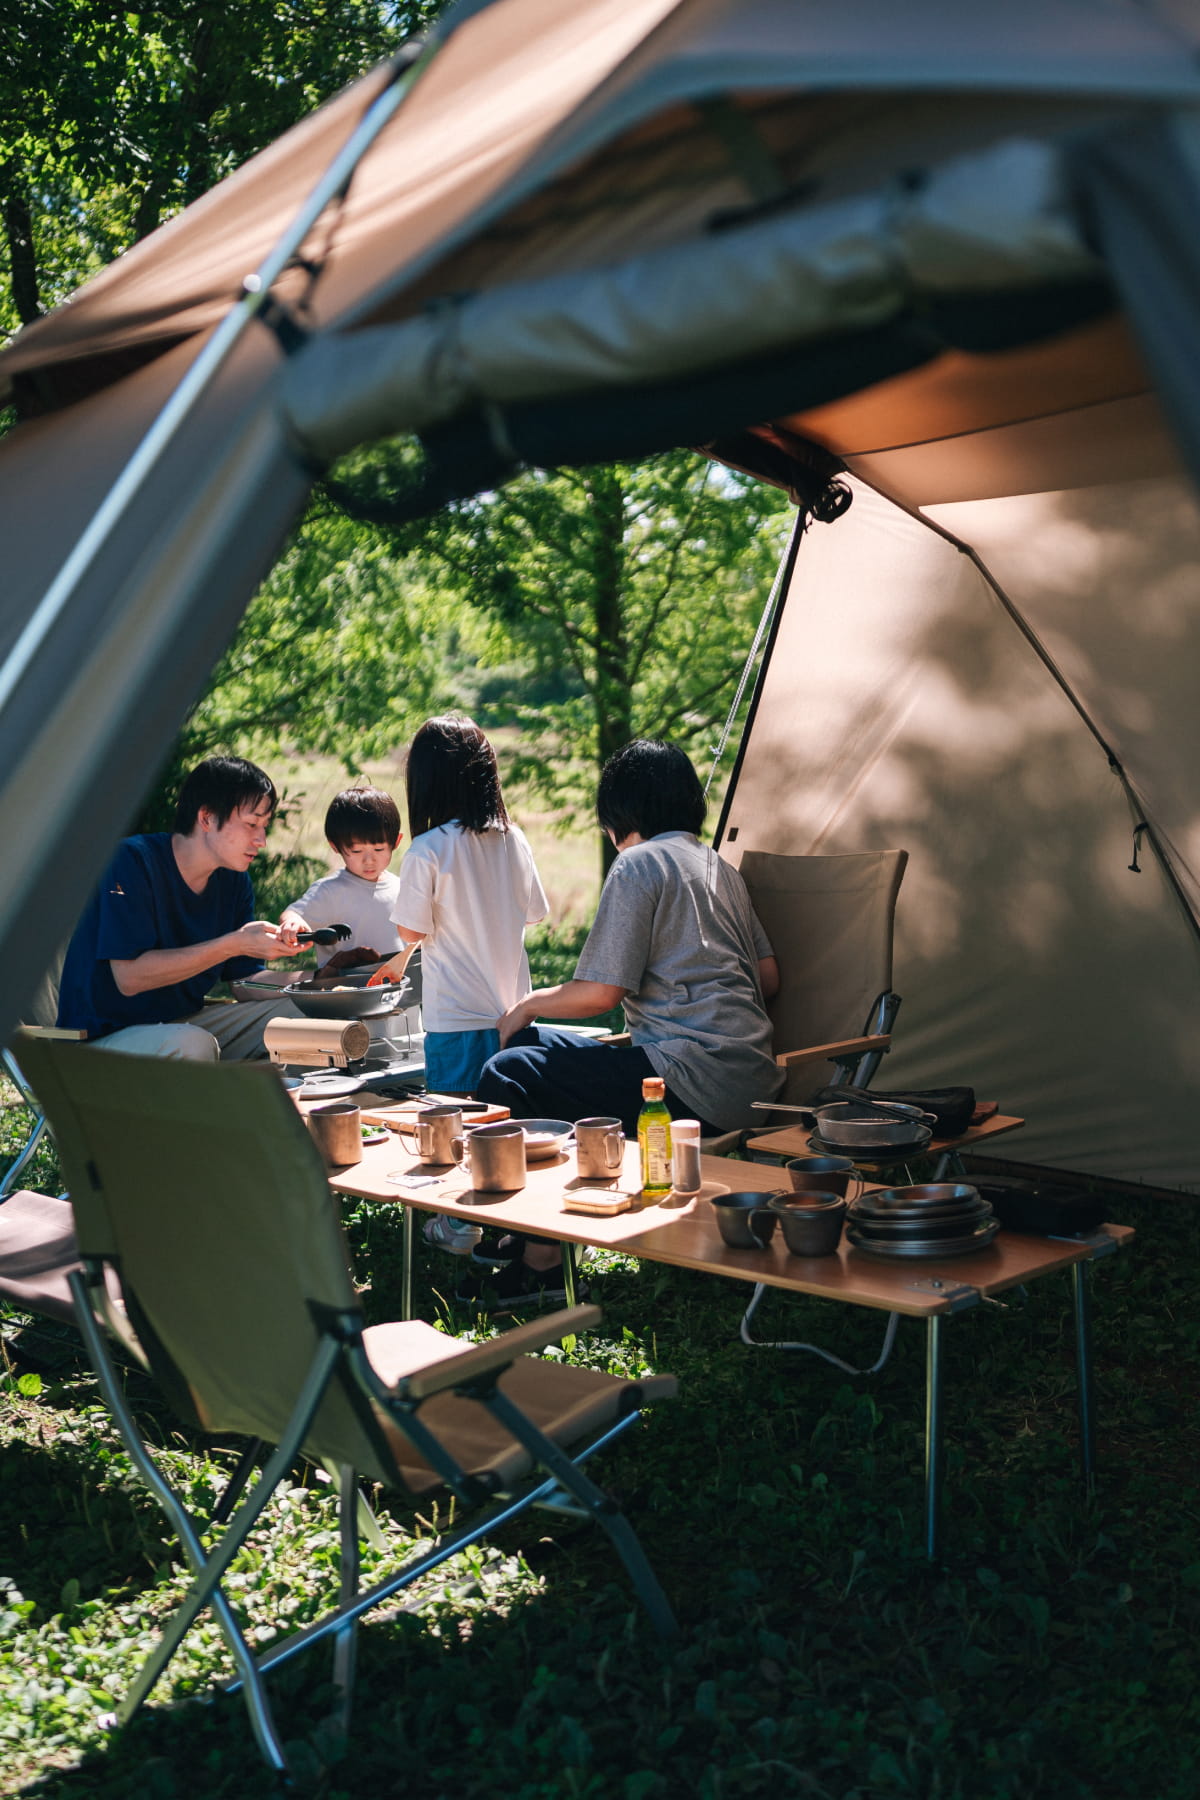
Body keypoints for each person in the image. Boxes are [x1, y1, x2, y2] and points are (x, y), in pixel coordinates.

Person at [470, 739, 783, 1302]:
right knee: (541, 1048)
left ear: (621, 817)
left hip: (689, 1085)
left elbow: (601, 994)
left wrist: (528, 1003)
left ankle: (538, 1258)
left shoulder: (639, 864)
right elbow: (770, 979)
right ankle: (533, 1234)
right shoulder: (720, 869)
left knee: (511, 1069)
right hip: (754, 1082)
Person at [367, 715, 549, 1254]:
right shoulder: (513, 838)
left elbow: (410, 930)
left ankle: (460, 1224)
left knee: (455, 1123)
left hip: (454, 1017)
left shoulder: (426, 849)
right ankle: (516, 1227)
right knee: (509, 1128)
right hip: (514, 1012)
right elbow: (534, 912)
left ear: (425, 782)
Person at [56, 755, 301, 1059]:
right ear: (207, 818)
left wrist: (321, 983)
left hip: (183, 1026)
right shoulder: (129, 863)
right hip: (101, 1041)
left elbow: (244, 983)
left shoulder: (234, 882)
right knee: (191, 1043)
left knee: (301, 1014)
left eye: (264, 826)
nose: (262, 840)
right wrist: (232, 944)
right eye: (252, 824)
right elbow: (129, 979)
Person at [279, 786, 405, 973]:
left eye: (379, 849)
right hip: (347, 990)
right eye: (356, 851)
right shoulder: (331, 891)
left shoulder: (400, 886)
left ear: (396, 842)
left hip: (398, 985)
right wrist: (292, 923)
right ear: (335, 846)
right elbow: (294, 913)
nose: (369, 860)